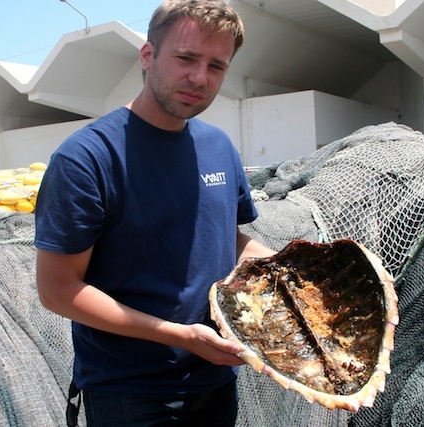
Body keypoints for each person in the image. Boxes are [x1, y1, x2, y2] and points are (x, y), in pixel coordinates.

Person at [34, 1, 276, 425]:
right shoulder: (87, 158)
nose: (199, 78)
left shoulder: (218, 147)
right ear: (148, 56)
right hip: (130, 392)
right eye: (186, 58)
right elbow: (58, 290)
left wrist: (290, 269)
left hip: (216, 381)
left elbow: (226, 237)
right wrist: (179, 336)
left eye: (216, 66)